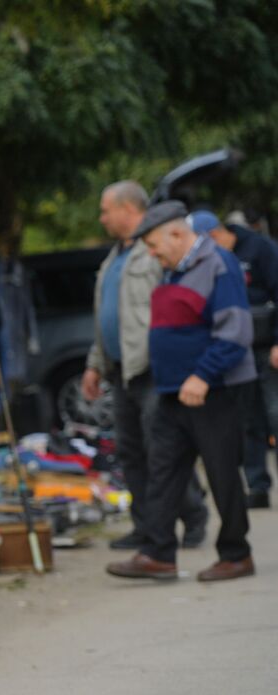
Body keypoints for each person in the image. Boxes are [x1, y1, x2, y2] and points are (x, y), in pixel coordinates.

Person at [107, 201, 256, 583]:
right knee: (163, 470)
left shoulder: (218, 265)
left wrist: (203, 375)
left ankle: (236, 554)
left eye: (155, 246)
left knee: (222, 471)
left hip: (212, 389)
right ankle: (158, 554)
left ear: (177, 234)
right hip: (172, 390)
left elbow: (235, 332)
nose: (152, 255)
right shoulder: (172, 271)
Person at [83, 181, 208, 551]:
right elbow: (108, 316)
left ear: (127, 209)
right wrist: (94, 364)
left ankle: (193, 517)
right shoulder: (114, 257)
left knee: (165, 451)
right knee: (131, 452)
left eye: (106, 210)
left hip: (153, 369)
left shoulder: (152, 251)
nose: (102, 218)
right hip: (120, 371)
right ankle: (147, 526)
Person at [188, 210, 278, 508]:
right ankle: (258, 487)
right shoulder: (212, 264)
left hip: (268, 349)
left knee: (275, 415)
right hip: (240, 351)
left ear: (214, 235)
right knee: (249, 422)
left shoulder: (259, 248)